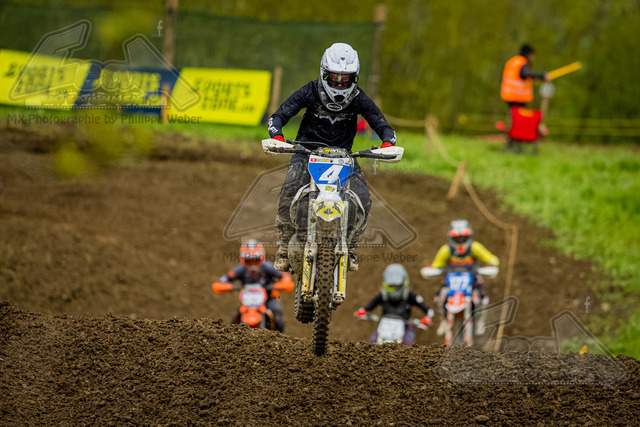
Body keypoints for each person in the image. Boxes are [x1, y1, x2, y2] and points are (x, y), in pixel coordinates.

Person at [267, 42, 397, 272]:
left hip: (343, 156)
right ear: (324, 73)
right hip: (306, 152)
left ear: (354, 78)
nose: (339, 84)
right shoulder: (310, 90)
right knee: (289, 188)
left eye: (345, 79)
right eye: (335, 78)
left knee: (363, 197)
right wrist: (277, 136)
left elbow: (382, 125)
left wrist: (388, 142)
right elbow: (279, 115)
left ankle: (351, 245)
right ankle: (284, 247)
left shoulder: (358, 98)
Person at [428, 219, 499, 335]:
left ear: (468, 235)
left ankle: (480, 320)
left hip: (471, 277)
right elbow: (436, 264)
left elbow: (491, 258)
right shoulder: (446, 249)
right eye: (457, 238)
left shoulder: (474, 247)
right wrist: (432, 269)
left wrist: (491, 263)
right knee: (440, 297)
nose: (460, 241)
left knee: (481, 296)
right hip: (451, 280)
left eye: (463, 238)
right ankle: (444, 319)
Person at [216, 239, 293, 332]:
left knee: (278, 318)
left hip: (270, 297)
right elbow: (224, 279)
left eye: (255, 260)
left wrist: (281, 284)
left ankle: (282, 337)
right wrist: (228, 286)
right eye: (249, 261)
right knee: (234, 319)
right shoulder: (239, 269)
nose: (252, 264)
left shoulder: (268, 266)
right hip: (248, 301)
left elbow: (284, 275)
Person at [355, 264, 433, 345]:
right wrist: (362, 311)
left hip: (405, 325)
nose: (395, 289)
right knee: (372, 344)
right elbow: (368, 307)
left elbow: (428, 310)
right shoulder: (383, 295)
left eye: (398, 286)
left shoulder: (409, 296)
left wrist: (427, 317)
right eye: (391, 287)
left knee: (408, 346)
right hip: (384, 326)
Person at [501, 44, 551, 153]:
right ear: (529, 54)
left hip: (509, 95)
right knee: (519, 122)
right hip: (518, 97)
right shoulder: (522, 62)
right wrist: (542, 76)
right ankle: (517, 143)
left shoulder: (513, 61)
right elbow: (524, 75)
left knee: (512, 121)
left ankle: (512, 144)